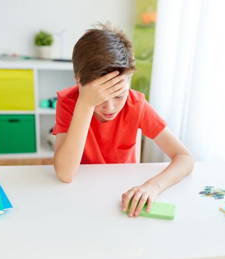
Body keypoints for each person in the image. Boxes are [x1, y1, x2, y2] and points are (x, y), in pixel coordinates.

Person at [53, 25, 194, 217]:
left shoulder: (136, 104)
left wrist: (153, 187)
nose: (109, 108)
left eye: (118, 96)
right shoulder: (70, 102)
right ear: (79, 81)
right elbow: (65, 174)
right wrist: (85, 104)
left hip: (124, 195)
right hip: (81, 194)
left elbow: (184, 158)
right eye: (100, 98)